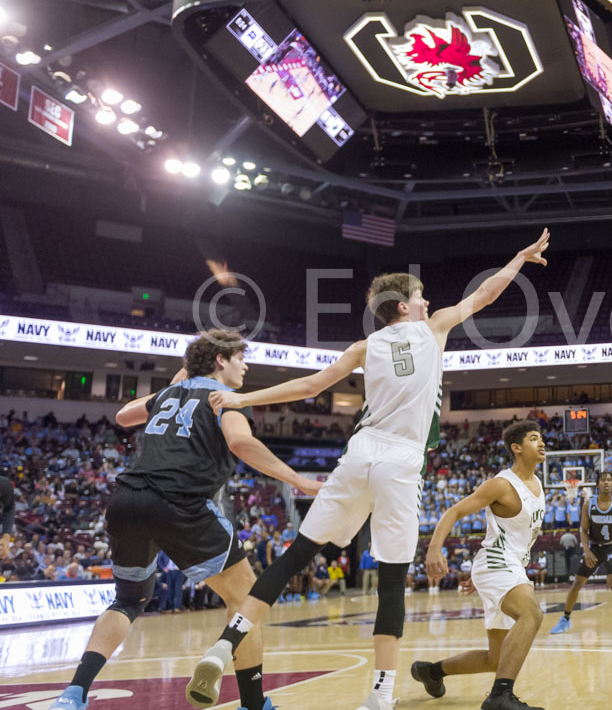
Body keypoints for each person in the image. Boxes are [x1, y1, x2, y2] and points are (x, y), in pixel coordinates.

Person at [188, 230, 551, 710]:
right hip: (401, 458)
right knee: (392, 581)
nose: (428, 303)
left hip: (359, 452)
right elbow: (486, 294)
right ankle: (379, 698)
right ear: (404, 306)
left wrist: (241, 398)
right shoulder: (435, 327)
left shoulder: (365, 346)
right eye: (420, 298)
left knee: (296, 556)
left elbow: (311, 385)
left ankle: (225, 643)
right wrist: (519, 258)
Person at [50, 331, 321, 710]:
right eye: (240, 357)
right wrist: (299, 480)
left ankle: (72, 695)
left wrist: (177, 383)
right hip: (178, 502)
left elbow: (124, 414)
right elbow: (241, 444)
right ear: (219, 361)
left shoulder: (168, 394)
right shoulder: (226, 400)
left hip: (127, 499)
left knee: (127, 601)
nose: (246, 365)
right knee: (247, 599)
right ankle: (254, 703)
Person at [410, 421, 547, 710]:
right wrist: (434, 549)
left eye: (541, 438)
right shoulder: (501, 484)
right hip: (499, 566)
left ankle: (432, 672)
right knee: (532, 615)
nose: (542, 443)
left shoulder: (536, 484)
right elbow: (455, 511)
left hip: (503, 568)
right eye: (534, 439)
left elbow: (512, 536)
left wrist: (483, 577)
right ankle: (500, 697)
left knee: (496, 660)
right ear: (517, 448)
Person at [550, 472, 612, 634]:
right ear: (597, 484)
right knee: (577, 584)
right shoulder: (588, 505)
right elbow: (583, 530)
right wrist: (587, 550)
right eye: (603, 480)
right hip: (594, 548)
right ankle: (565, 619)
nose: (606, 483)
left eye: (609, 480)